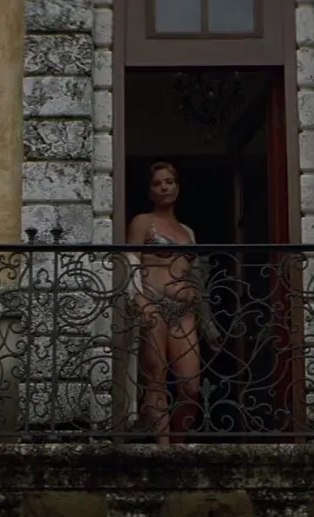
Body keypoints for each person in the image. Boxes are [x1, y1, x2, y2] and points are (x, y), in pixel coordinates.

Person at [126, 161, 203, 445]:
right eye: (157, 183)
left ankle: (178, 446)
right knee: (156, 379)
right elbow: (130, 262)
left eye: (169, 181)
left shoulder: (187, 231)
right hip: (154, 305)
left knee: (191, 387)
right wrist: (139, 299)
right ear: (149, 191)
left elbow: (196, 275)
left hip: (184, 311)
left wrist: (208, 321)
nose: (164, 187)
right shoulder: (142, 221)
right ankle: (163, 449)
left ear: (178, 187)